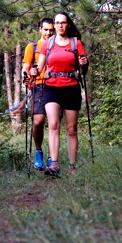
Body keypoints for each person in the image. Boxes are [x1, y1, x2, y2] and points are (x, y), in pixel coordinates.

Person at [34, 12, 88, 178]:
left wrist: (84, 64)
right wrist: (32, 71)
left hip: (71, 87)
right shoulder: (48, 44)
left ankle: (72, 167)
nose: (60, 25)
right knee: (53, 125)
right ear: (55, 25)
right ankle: (54, 164)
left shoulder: (76, 43)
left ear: (68, 24)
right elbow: (39, 68)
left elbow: (83, 70)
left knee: (71, 129)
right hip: (51, 88)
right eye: (57, 23)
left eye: (63, 22)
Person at [22, 17, 54, 170]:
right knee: (38, 121)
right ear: (40, 29)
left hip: (56, 86)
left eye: (51, 30)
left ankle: (52, 158)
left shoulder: (58, 46)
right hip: (39, 86)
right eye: (46, 29)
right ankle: (39, 151)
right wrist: (26, 75)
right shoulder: (32, 47)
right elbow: (26, 66)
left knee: (54, 124)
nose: (48, 33)